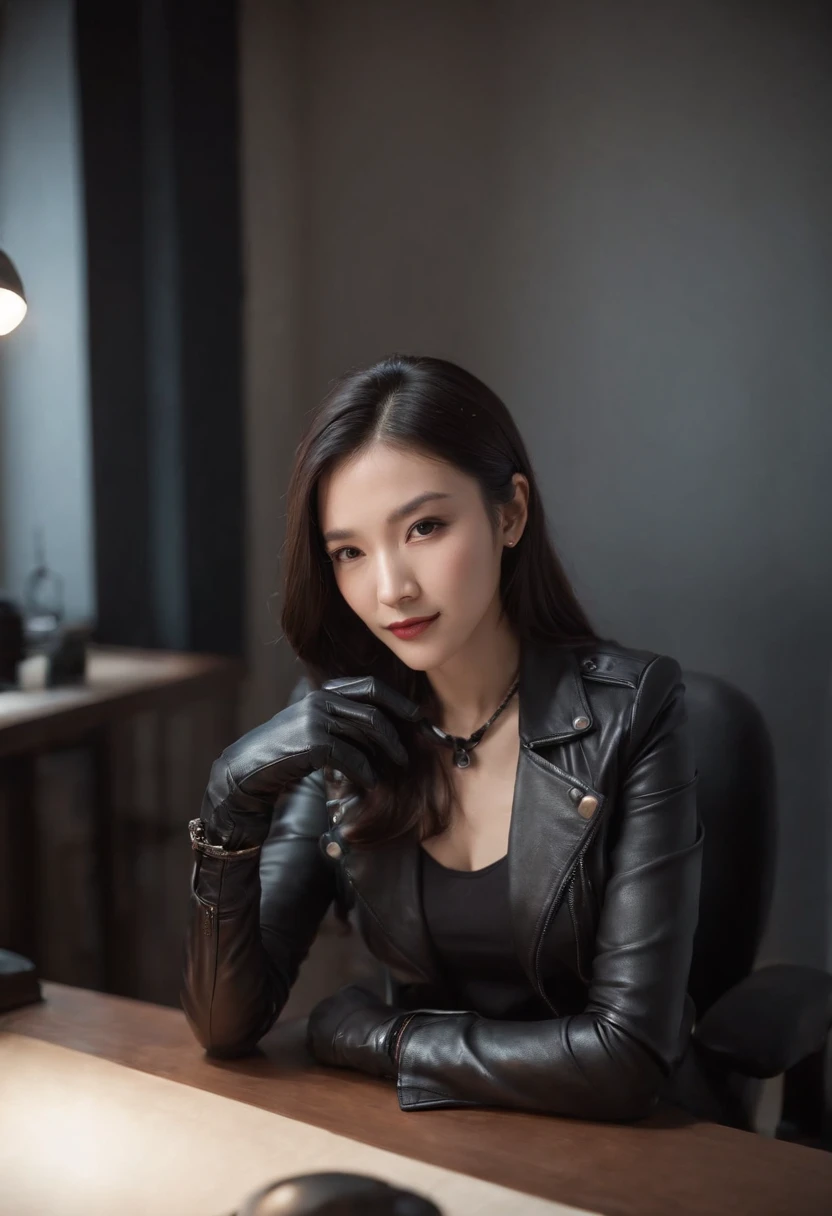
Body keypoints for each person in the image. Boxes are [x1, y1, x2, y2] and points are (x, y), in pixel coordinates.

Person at [181, 354, 704, 1123]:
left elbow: (627, 1058)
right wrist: (229, 800)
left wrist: (388, 1041)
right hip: (432, 1140)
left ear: (510, 513)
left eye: (424, 527)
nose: (391, 587)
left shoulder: (636, 709)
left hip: (618, 1154)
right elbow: (227, 1025)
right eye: (349, 553)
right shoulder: (343, 724)